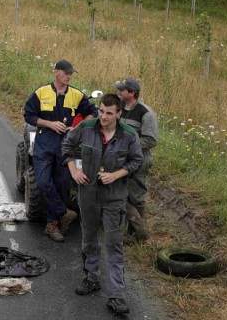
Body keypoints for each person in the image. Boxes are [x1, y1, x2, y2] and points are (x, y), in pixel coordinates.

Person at [62, 93, 143, 315]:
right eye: (101, 111)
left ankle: (116, 295)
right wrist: (74, 170)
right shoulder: (87, 127)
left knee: (113, 243)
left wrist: (116, 174)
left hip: (114, 197)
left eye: (109, 113)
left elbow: (137, 161)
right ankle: (91, 277)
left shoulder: (129, 135)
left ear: (119, 114)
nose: (103, 117)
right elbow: (67, 147)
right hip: (87, 194)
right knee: (89, 237)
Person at [24, 59, 97, 242]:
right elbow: (29, 115)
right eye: (66, 73)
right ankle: (64, 212)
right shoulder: (41, 93)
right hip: (45, 141)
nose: (69, 76)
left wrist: (78, 127)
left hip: (66, 143)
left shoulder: (77, 95)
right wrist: (49, 123)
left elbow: (93, 113)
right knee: (42, 181)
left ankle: (52, 225)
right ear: (56, 72)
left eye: (71, 74)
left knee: (62, 184)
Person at [115, 77, 158, 242]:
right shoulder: (121, 108)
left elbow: (151, 140)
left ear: (131, 93)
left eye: (122, 90)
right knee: (121, 194)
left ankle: (140, 235)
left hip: (139, 161)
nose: (119, 91)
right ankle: (133, 232)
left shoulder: (146, 113)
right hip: (122, 160)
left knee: (136, 197)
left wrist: (128, 145)